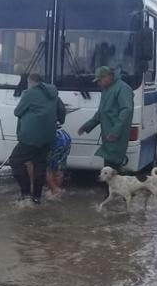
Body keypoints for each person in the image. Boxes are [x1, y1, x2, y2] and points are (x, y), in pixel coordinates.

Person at [10, 73, 66, 203]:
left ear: (31, 82)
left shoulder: (29, 93)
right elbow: (61, 112)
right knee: (39, 164)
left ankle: (25, 194)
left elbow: (17, 112)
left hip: (30, 137)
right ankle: (37, 197)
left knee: (15, 160)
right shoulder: (53, 93)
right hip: (48, 137)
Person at [77, 66, 134, 170]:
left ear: (108, 77)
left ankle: (118, 185)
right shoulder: (106, 90)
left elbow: (126, 111)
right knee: (108, 166)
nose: (99, 83)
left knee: (114, 166)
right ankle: (110, 186)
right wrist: (86, 126)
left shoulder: (122, 88)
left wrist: (115, 132)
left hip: (117, 135)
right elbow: (100, 113)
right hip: (108, 135)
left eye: (100, 80)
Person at [45, 127, 72, 197]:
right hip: (65, 136)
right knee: (59, 166)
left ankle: (54, 190)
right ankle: (56, 192)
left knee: (48, 168)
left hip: (54, 136)